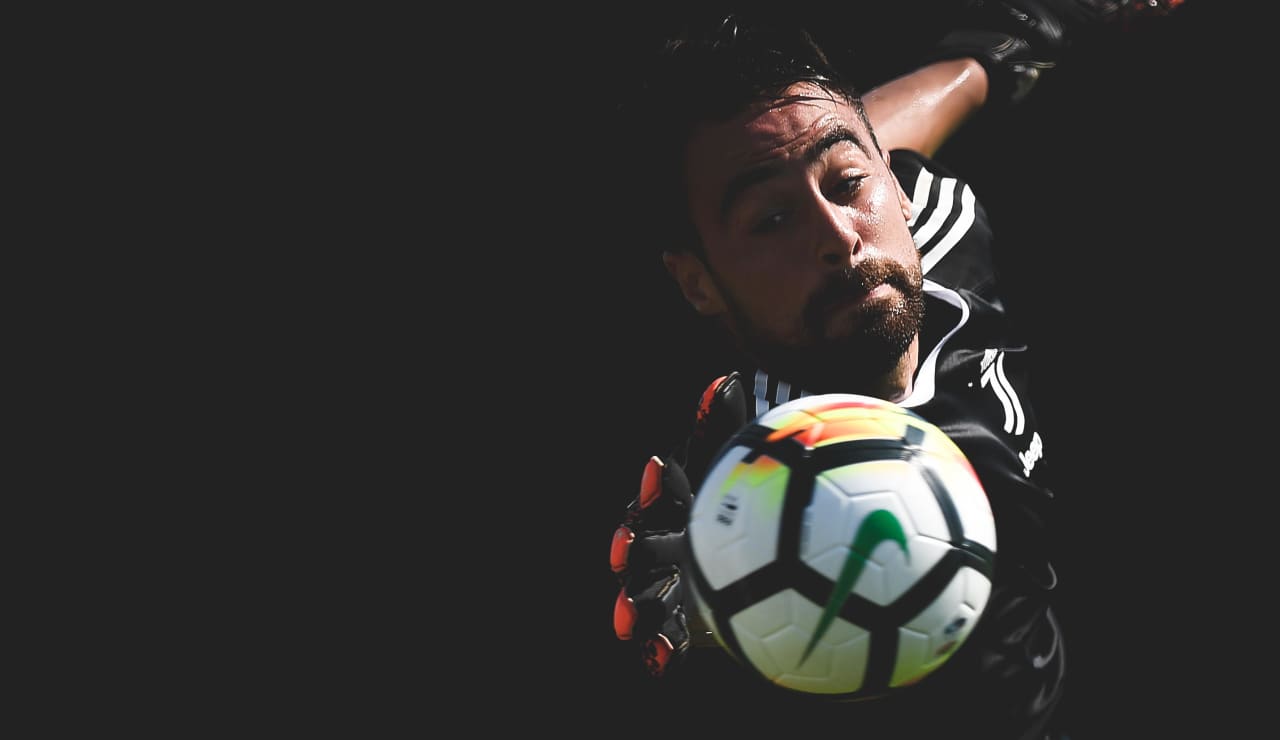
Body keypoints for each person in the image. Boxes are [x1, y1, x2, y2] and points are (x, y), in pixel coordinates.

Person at [598, 3, 1179, 737]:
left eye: (846, 183)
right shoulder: (760, 483)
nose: (838, 235)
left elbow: (865, 131)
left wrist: (1010, 43)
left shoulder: (929, 227)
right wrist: (732, 592)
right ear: (696, 282)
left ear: (894, 185)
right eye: (772, 219)